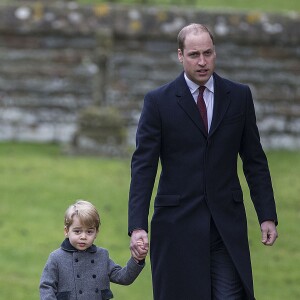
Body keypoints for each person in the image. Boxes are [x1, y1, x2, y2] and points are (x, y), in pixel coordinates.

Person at [128, 23, 278, 300]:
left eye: (207, 53)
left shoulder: (240, 96)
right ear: (180, 55)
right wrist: (138, 225)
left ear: (215, 53)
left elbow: (254, 160)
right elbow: (143, 167)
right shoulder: (157, 102)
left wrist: (267, 214)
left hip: (225, 225)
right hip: (176, 226)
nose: (202, 61)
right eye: (194, 54)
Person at [40, 200, 147, 300]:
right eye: (77, 231)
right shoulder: (56, 258)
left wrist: (137, 259)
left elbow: (124, 277)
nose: (83, 236)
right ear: (66, 231)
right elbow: (46, 287)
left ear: (96, 233)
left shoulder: (102, 256)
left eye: (89, 232)